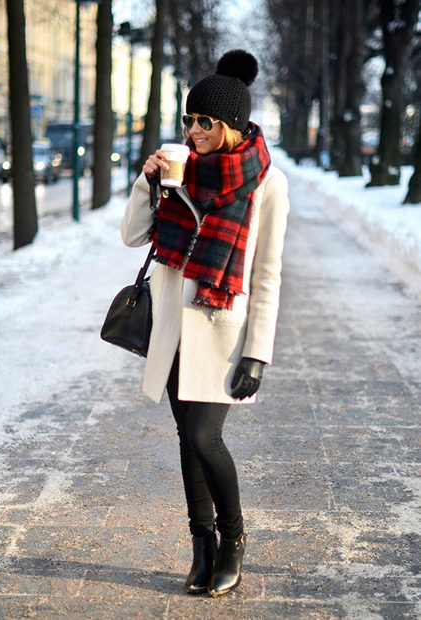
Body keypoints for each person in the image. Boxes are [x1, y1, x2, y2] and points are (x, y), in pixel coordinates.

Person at [121, 49, 290, 597]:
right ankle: (202, 546)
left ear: (232, 126)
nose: (193, 131)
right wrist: (147, 182)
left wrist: (258, 353)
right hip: (174, 327)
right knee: (185, 439)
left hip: (221, 330)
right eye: (189, 119)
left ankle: (233, 539)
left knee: (203, 435)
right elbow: (133, 236)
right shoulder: (179, 171)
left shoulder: (267, 183)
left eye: (206, 122)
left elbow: (267, 273)